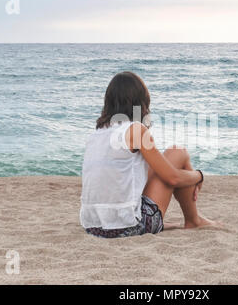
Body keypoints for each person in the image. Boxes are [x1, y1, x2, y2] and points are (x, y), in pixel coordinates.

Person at [80, 71, 217, 238]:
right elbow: (172, 178)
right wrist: (199, 176)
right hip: (129, 227)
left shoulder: (96, 134)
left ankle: (192, 218)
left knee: (154, 166)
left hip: (93, 226)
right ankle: (193, 219)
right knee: (177, 152)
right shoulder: (135, 129)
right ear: (141, 102)